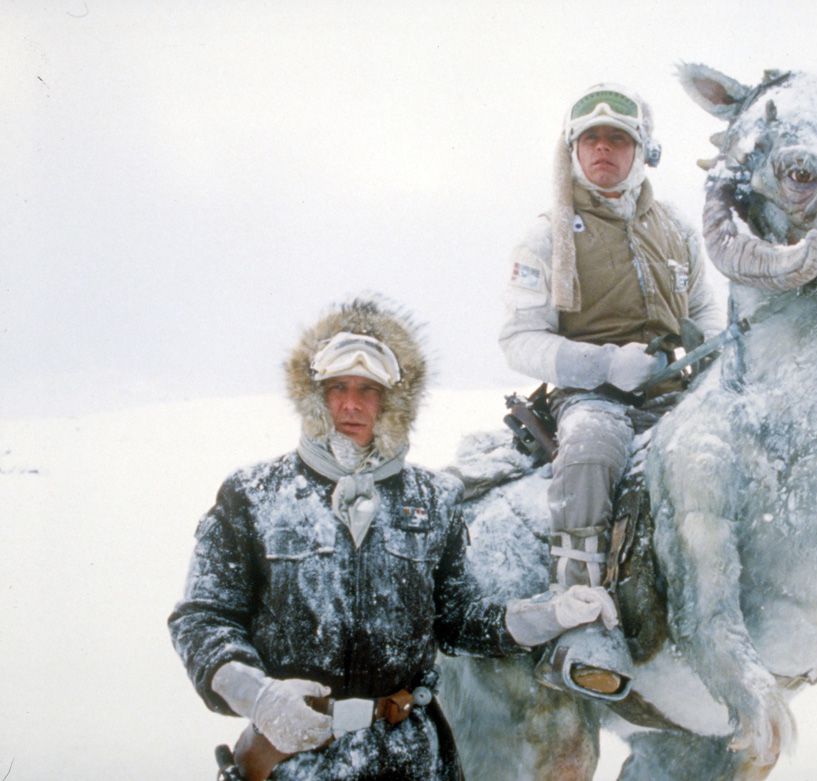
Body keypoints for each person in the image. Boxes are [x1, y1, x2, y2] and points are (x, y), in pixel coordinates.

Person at [169, 296, 617, 781]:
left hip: (409, 757)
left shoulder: (434, 499)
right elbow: (202, 619)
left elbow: (460, 621)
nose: (351, 404)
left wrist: (552, 613)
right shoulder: (253, 496)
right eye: (337, 387)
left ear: (394, 402)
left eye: (369, 389)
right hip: (292, 757)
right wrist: (257, 696)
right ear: (313, 394)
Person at [499, 85, 723, 701]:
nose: (603, 149)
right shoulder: (545, 238)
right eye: (591, 139)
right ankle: (580, 621)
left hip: (677, 391)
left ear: (642, 150)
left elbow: (707, 310)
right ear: (572, 149)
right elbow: (520, 340)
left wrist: (708, 343)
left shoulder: (677, 229)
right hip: (592, 398)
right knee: (593, 447)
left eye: (618, 139)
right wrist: (603, 364)